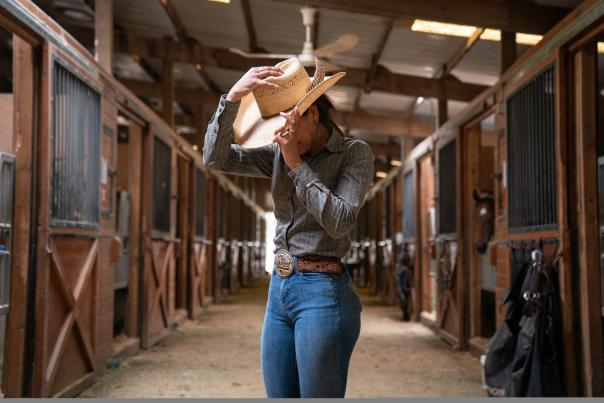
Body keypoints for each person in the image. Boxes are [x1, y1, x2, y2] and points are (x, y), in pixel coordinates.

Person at [204, 58, 374, 398]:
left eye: (287, 123)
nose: (279, 135)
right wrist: (233, 99)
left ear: (312, 114)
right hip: (278, 290)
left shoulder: (354, 154)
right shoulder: (279, 152)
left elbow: (340, 222)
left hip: (323, 290)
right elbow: (216, 158)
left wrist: (295, 164)